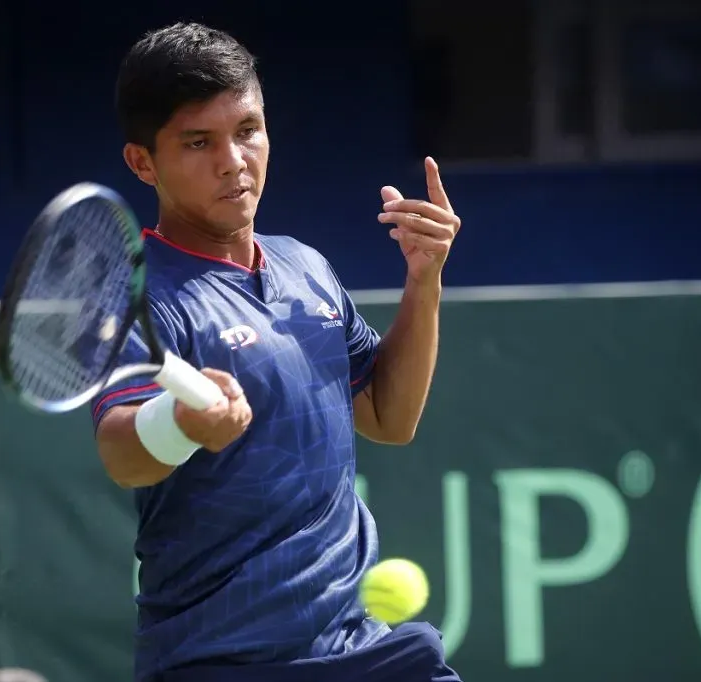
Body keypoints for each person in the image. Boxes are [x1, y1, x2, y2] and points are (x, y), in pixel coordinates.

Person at [91, 22, 462, 682]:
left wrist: (423, 281)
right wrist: (179, 426)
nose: (233, 159)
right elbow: (122, 453)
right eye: (198, 142)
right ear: (142, 162)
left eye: (248, 130)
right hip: (221, 663)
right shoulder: (141, 293)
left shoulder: (306, 265)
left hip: (360, 651)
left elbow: (388, 416)